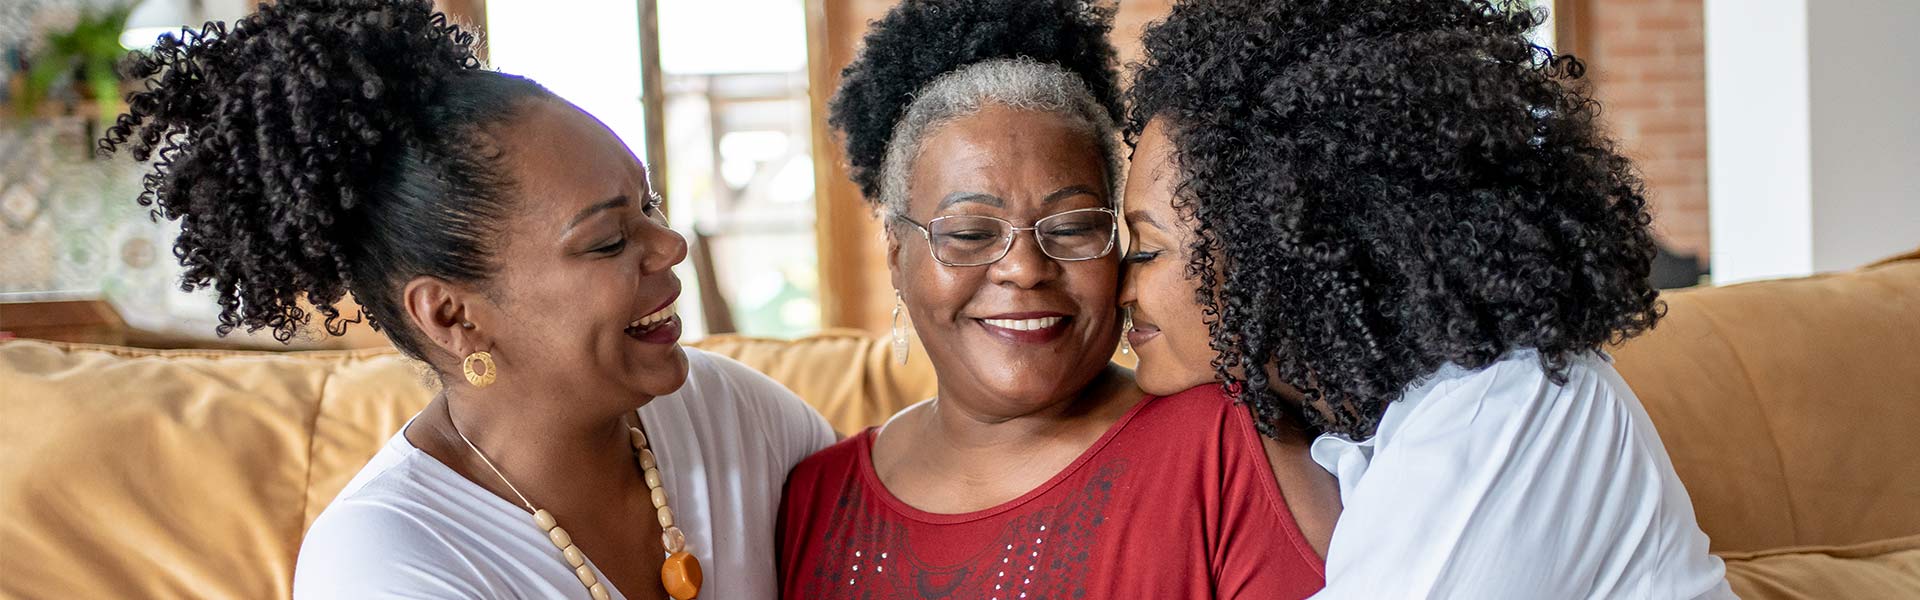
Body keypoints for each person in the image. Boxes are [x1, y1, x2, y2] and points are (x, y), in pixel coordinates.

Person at [98, 1, 834, 598]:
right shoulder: (384, 562)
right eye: (609, 241)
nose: (669, 246)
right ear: (451, 316)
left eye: (651, 205)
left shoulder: (732, 414)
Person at [1119, 0, 1735, 597]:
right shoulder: (1356, 424)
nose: (1123, 287)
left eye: (1148, 250)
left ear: (1278, 252)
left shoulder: (1512, 401)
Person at [776, 1, 1324, 598]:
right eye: (971, 233)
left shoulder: (1229, 444)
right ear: (895, 256)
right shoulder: (811, 497)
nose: (1024, 269)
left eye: (1071, 228)